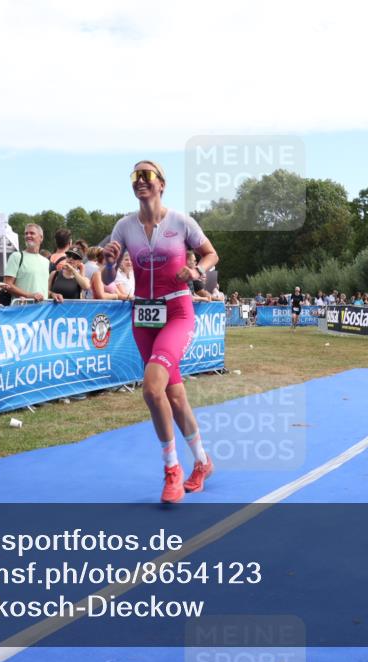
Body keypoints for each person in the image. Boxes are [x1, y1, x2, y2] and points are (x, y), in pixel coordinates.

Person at [102, 160, 219, 503]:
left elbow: (212, 254)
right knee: (175, 396)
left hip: (177, 310)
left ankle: (172, 470)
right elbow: (109, 279)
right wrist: (109, 263)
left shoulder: (181, 221)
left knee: (153, 390)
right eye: (135, 175)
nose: (140, 180)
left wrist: (196, 270)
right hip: (143, 316)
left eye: (147, 175)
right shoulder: (124, 227)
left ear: (162, 184)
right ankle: (202, 461)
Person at [3, 223, 50, 302]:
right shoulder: (16, 256)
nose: (28, 236)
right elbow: (7, 284)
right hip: (22, 310)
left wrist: (53, 294)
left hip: (42, 310)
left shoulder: (46, 261)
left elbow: (42, 288)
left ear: (41, 238)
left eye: (32, 233)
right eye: (26, 233)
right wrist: (29, 296)